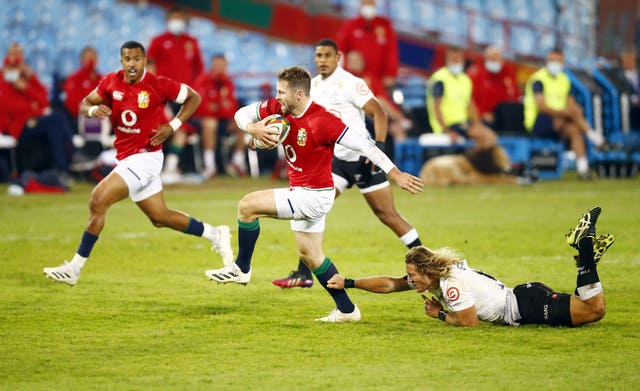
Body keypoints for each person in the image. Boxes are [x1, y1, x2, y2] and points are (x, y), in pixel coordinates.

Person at [205, 66, 424, 322]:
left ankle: (241, 268)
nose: (277, 96)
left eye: (281, 92)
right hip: (302, 190)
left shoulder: (323, 121)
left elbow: (365, 145)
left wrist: (395, 173)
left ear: (299, 95)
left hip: (313, 195)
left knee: (248, 206)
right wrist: (253, 129)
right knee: (310, 255)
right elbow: (242, 114)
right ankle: (347, 310)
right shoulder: (279, 107)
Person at [43, 41, 233, 286]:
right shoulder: (111, 81)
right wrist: (93, 112)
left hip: (146, 158)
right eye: (127, 59)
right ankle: (216, 234)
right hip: (127, 157)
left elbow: (194, 98)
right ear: (121, 61)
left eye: (136, 59)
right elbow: (84, 104)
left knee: (97, 200)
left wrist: (172, 126)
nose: (132, 63)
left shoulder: (158, 84)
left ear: (144, 61)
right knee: (160, 217)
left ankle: (74, 268)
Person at [272, 40, 422, 289]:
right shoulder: (313, 86)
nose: (322, 60)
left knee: (387, 215)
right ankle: (303, 273)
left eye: (327, 55)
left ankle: (426, 258)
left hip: (363, 160)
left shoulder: (351, 83)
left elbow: (380, 112)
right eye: (318, 55)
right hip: (336, 163)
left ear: (338, 57)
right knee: (313, 207)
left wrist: (380, 147)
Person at [328, 206, 614, 327]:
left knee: (594, 310)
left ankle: (584, 249)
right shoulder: (437, 276)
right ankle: (585, 261)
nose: (411, 281)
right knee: (587, 305)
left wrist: (440, 315)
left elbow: (469, 321)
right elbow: (390, 284)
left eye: (414, 276)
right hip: (523, 296)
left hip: (523, 306)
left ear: (427, 272)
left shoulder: (450, 285)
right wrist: (349, 283)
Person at [0, 42, 87, 175]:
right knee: (57, 118)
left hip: (33, 120)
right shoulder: (3, 77)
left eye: (19, 53)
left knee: (54, 129)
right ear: (7, 55)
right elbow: (12, 107)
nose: (16, 57)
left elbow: (44, 101)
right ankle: (74, 156)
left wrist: (28, 87)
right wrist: (32, 105)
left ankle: (62, 171)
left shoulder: (27, 76)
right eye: (13, 53)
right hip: (17, 126)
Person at [523, 48, 606, 179]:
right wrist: (566, 113)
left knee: (574, 129)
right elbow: (542, 107)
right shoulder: (538, 79)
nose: (554, 64)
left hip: (560, 120)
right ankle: (592, 135)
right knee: (570, 115)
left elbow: (571, 103)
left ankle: (583, 169)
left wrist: (571, 112)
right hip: (538, 121)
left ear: (563, 63)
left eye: (557, 61)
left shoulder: (564, 80)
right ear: (546, 61)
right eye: (551, 60)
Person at [147, 7, 206, 183]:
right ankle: (162, 168)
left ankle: (176, 168)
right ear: (167, 21)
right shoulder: (158, 41)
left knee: (182, 130)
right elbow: (149, 66)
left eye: (179, 18)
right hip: (163, 96)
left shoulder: (191, 42)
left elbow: (199, 69)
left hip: (185, 96)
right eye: (173, 18)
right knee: (173, 128)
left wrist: (193, 92)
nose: (176, 22)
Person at [427, 46, 498, 148]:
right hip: (449, 124)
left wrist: (478, 124)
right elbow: (436, 109)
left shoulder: (465, 80)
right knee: (484, 137)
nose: (455, 62)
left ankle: (479, 163)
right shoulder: (440, 79)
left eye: (458, 59)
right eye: (452, 59)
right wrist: (447, 131)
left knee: (491, 136)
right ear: (447, 60)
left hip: (463, 123)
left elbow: (470, 106)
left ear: (463, 60)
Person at [191, 54, 245, 178]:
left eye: (222, 66)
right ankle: (209, 165)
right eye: (217, 65)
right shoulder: (202, 80)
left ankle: (238, 161)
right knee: (210, 123)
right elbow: (200, 106)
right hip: (202, 121)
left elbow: (231, 108)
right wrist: (219, 107)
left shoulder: (228, 82)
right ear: (211, 66)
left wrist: (217, 107)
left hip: (222, 120)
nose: (220, 68)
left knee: (242, 123)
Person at [345, 49, 412, 142]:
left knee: (398, 128)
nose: (355, 63)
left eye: (357, 60)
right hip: (358, 112)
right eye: (352, 61)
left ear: (362, 62)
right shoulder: (344, 79)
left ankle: (399, 122)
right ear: (347, 63)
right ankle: (400, 119)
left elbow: (383, 96)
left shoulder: (370, 77)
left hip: (377, 113)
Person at [337, 0, 399, 90]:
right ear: (361, 4)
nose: (368, 6)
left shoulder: (385, 26)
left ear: (375, 4)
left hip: (379, 81)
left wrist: (391, 74)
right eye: (366, 3)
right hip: (355, 80)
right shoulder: (350, 26)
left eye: (370, 4)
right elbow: (341, 52)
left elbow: (391, 53)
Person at [467, 45, 520, 129]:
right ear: (485, 59)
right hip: (482, 117)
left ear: (502, 60)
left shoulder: (507, 75)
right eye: (491, 59)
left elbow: (514, 96)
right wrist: (481, 114)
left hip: (502, 116)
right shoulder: (475, 74)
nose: (494, 62)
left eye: (496, 59)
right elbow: (469, 100)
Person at [617, 48, 640, 129]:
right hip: (630, 106)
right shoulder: (618, 76)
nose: (629, 63)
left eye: (631, 60)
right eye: (626, 60)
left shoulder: (638, 72)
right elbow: (621, 92)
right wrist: (635, 100)